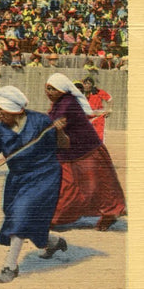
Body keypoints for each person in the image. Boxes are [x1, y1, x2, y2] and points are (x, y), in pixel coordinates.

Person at [0, 86, 68, 284]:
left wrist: (60, 132)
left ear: (16, 109)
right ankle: (52, 242)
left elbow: (64, 145)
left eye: (2, 108)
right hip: (18, 178)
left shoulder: (42, 121)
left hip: (45, 175)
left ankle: (10, 265)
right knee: (20, 216)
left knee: (21, 214)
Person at [45, 73, 126, 231]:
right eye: (47, 88)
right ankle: (53, 217)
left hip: (87, 151)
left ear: (62, 90)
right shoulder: (59, 102)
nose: (48, 92)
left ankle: (110, 214)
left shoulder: (66, 104)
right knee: (66, 184)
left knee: (99, 185)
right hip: (69, 152)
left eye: (52, 89)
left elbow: (55, 129)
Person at [83, 76, 113, 142]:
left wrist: (109, 109)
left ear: (92, 85)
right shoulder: (81, 93)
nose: (86, 85)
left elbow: (109, 99)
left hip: (98, 118)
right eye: (85, 83)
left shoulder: (98, 92)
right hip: (87, 118)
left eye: (89, 84)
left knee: (99, 138)